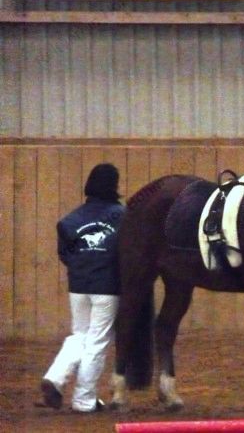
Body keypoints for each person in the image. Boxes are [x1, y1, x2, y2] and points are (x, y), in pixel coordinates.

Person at [39, 163, 124, 413]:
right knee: (97, 341)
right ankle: (84, 400)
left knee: (80, 335)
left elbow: (64, 253)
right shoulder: (122, 216)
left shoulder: (71, 219)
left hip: (78, 286)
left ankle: (55, 377)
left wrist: (83, 268)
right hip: (107, 287)